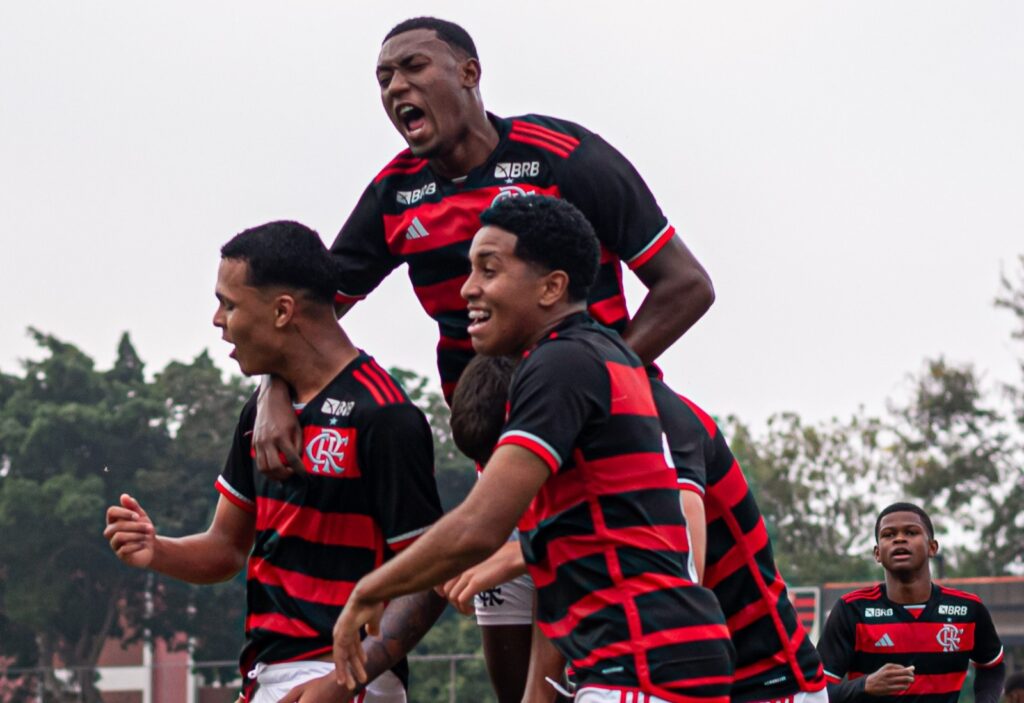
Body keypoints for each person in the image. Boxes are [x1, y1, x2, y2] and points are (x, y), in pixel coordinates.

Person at [253, 17, 717, 701]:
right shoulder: (395, 194)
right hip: (504, 454)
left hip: (614, 446)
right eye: (383, 78)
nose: (396, 86)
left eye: (413, 67)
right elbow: (312, 313)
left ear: (470, 73)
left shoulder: (566, 158)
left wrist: (595, 380)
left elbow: (687, 286)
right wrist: (272, 389)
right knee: (522, 667)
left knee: (623, 626)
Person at [333, 195, 735, 703]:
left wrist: (369, 591)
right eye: (469, 269)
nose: (468, 288)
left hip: (642, 664)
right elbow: (578, 543)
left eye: (489, 269)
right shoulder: (601, 353)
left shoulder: (560, 363)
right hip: (654, 658)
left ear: (552, 287)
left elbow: (480, 526)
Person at [103, 222, 446, 703]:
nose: (217, 320)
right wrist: (157, 549)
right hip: (266, 676)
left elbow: (430, 576)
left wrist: (345, 678)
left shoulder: (385, 416)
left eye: (229, 303)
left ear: (283, 310)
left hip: (342, 678)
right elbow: (226, 549)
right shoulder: (259, 412)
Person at [445, 353, 827, 703]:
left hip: (761, 681)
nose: (470, 289)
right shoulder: (531, 449)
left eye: (490, 272)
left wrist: (527, 552)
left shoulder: (656, 417)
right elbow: (556, 580)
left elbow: (680, 573)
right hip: (629, 674)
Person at [817, 502, 1005, 703]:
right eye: (888, 535)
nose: (899, 539)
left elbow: (992, 667)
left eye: (911, 532)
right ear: (877, 553)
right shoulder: (852, 610)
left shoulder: (968, 609)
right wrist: (864, 686)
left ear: (932, 547)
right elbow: (816, 692)